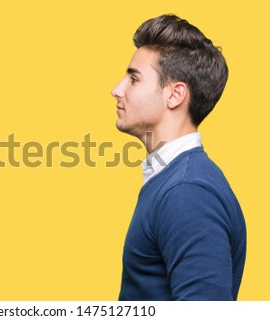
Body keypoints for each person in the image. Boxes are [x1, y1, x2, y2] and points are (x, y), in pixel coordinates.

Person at [111, 14, 246, 300]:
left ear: (174, 95)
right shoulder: (174, 181)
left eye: (134, 79)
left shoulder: (187, 193)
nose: (117, 89)